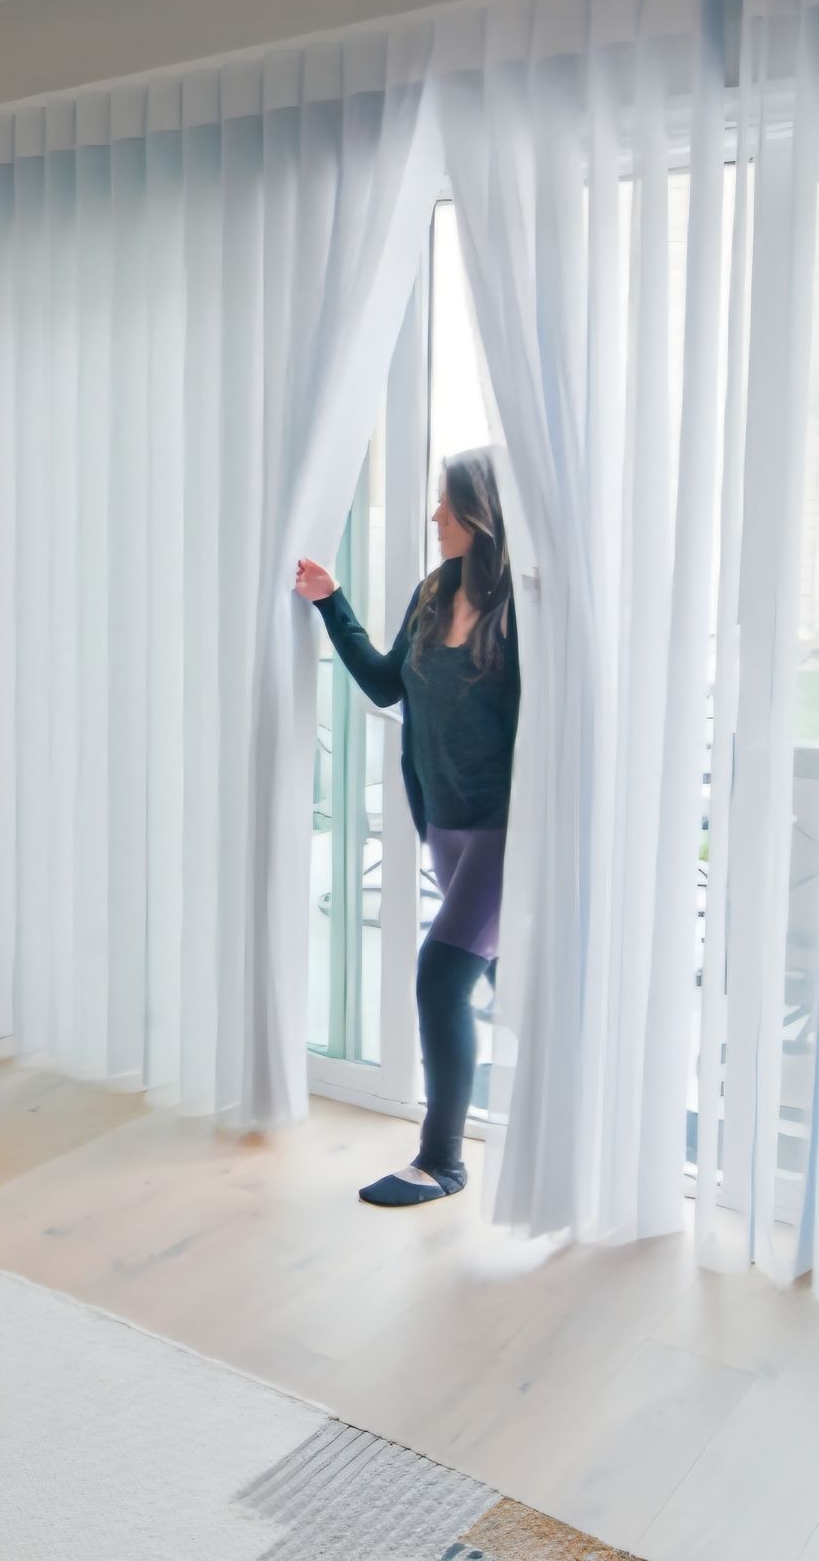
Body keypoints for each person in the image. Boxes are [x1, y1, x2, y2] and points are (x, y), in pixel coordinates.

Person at [294, 447, 518, 1207]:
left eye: (447, 506)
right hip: (443, 822)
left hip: (502, 829)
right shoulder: (434, 591)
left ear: (481, 512)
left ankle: (442, 1161)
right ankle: (562, 1131)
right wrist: (331, 601)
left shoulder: (522, 609)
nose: (435, 517)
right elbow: (389, 683)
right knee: (505, 982)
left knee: (441, 979)